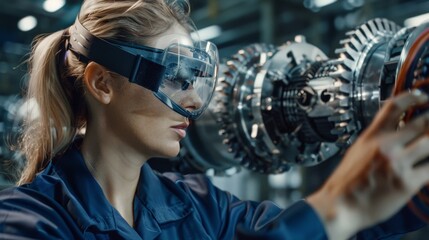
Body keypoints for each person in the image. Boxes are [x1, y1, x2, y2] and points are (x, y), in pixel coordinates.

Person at [0, 0, 429, 239]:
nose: (192, 99)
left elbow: (327, 229)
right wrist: (338, 206)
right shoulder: (27, 223)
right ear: (103, 84)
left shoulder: (198, 206)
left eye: (197, 81)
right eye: (176, 77)